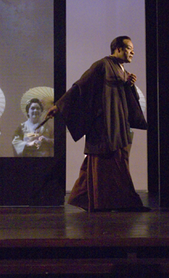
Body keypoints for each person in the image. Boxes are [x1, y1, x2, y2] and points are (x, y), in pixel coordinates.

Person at [46, 36, 149, 212]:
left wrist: (129, 85)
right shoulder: (102, 65)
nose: (132, 52)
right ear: (117, 49)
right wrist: (59, 105)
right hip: (105, 125)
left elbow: (123, 98)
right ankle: (101, 203)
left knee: (117, 162)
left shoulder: (121, 70)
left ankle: (115, 201)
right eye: (129, 48)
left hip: (119, 124)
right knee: (103, 162)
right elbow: (80, 86)